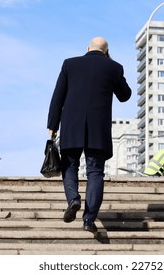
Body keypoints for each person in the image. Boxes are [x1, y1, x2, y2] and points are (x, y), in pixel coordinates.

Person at [47, 37, 132, 233]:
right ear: (106, 51)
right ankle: (88, 219)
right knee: (95, 173)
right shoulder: (114, 67)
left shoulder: (70, 64)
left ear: (87, 48)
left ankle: (74, 199)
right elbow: (125, 95)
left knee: (70, 166)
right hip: (98, 129)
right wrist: (110, 64)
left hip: (71, 126)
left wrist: (52, 125)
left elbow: (57, 97)